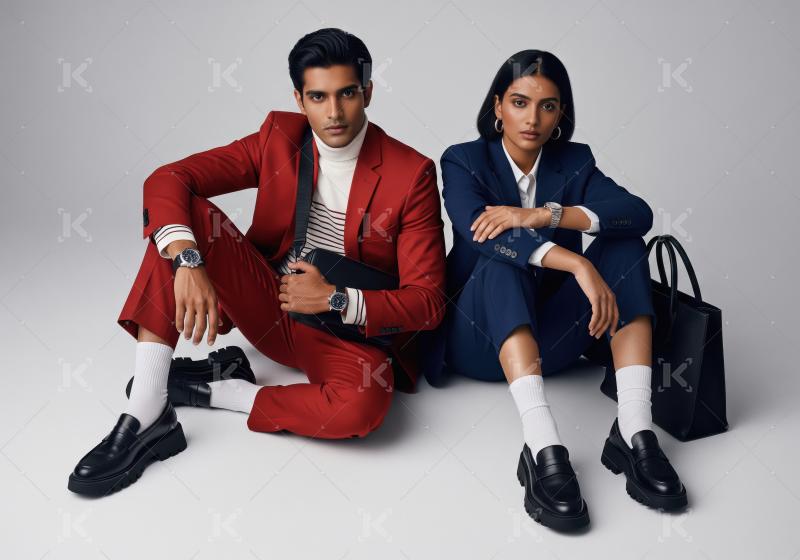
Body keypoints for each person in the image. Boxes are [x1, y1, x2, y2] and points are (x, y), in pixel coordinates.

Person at [68, 28, 447, 497]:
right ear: (299, 98)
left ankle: (222, 389)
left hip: (344, 334)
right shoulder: (278, 139)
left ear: (367, 91)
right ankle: (148, 411)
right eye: (318, 97)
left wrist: (334, 298)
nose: (333, 112)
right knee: (184, 221)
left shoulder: (411, 173)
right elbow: (170, 178)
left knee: (363, 409)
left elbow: (429, 302)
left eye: (347, 94)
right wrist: (188, 260)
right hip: (269, 306)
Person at [428, 49, 687, 531]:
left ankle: (634, 429)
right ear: (498, 106)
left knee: (625, 241)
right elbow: (479, 231)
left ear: (561, 113)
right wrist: (576, 263)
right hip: (480, 340)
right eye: (520, 102)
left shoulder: (574, 160)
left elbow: (637, 211)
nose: (532, 118)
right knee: (501, 260)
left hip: (556, 342)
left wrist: (544, 214)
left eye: (547, 106)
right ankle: (542, 443)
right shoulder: (464, 160)